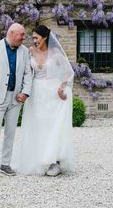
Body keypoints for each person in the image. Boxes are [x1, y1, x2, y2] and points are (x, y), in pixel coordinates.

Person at [13, 25, 76, 176]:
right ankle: (38, 159)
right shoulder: (30, 51)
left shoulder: (56, 53)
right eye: (33, 38)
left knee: (53, 126)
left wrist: (62, 86)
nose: (34, 41)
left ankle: (55, 161)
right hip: (36, 93)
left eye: (36, 37)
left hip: (53, 93)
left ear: (45, 37)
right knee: (37, 125)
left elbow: (68, 72)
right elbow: (25, 72)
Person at [0, 23, 32, 182]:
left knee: (10, 132)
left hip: (16, 98)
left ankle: (5, 164)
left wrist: (25, 92)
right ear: (12, 33)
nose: (24, 37)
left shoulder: (24, 51)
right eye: (21, 34)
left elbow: (28, 74)